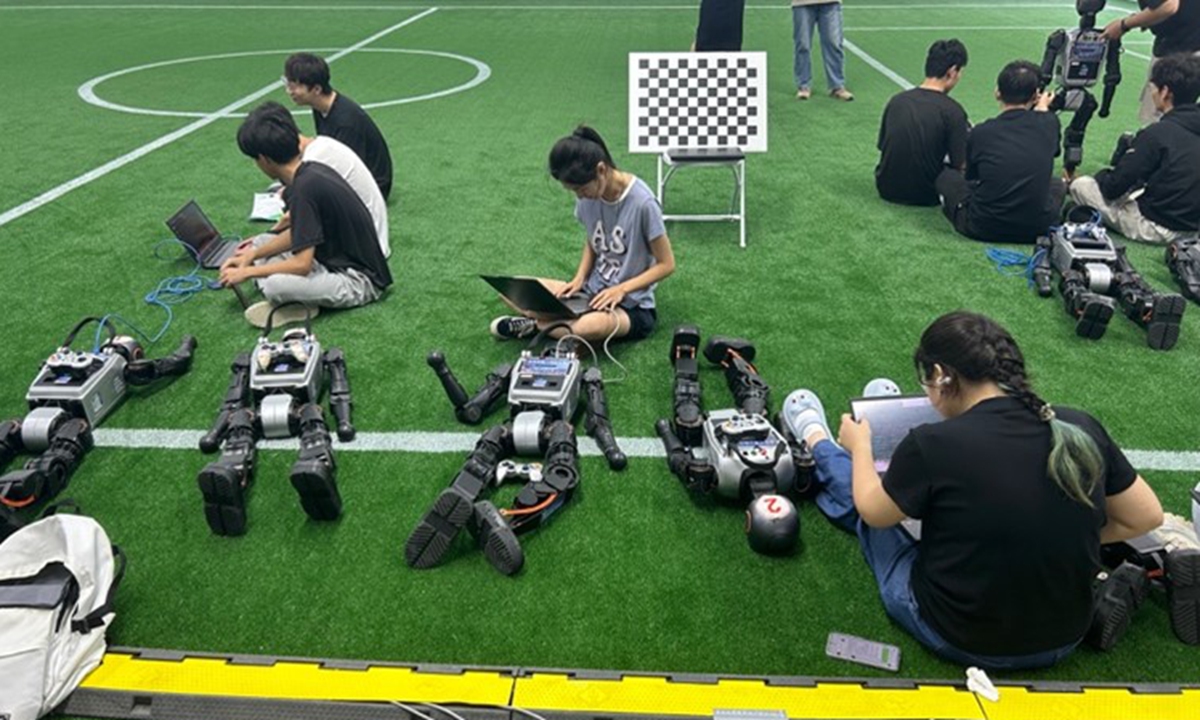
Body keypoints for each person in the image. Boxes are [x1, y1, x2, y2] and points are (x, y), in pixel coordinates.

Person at [781, 311, 1165, 669]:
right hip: (1064, 639)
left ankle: (817, 440)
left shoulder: (931, 443)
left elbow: (872, 511)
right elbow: (1146, 516)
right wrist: (1055, 538)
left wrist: (861, 446)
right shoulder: (1079, 426)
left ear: (940, 374)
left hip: (957, 636)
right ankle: (867, 415)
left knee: (872, 510)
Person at [490, 126, 675, 344]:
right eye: (574, 191)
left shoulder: (643, 204)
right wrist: (580, 277)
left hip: (631, 305)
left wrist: (621, 290)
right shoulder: (588, 197)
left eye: (581, 189)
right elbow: (593, 239)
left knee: (587, 328)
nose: (580, 197)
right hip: (590, 292)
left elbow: (666, 264)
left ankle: (534, 325)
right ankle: (552, 322)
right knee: (513, 288)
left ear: (600, 170)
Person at [222, 103, 392, 327]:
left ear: (264, 159)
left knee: (275, 286)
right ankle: (297, 301)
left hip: (360, 281)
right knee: (261, 243)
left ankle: (292, 302)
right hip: (329, 259)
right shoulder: (309, 171)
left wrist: (249, 271)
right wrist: (252, 255)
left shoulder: (304, 188)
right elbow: (300, 234)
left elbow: (302, 264)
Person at [1069, 53, 1200, 243]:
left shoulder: (1157, 133)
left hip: (1157, 227)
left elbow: (1113, 187)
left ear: (1165, 92)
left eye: (1153, 88)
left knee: (1081, 186)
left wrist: (1102, 176)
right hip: (1195, 228)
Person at [935, 60, 1064, 244]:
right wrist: (1043, 110)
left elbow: (972, 177)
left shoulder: (981, 132)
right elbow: (1053, 150)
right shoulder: (1050, 123)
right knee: (1057, 184)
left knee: (947, 177)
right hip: (1037, 229)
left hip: (982, 227)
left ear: (997, 92)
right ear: (1036, 96)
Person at [257, 102, 391, 259]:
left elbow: (298, 222)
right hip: (368, 237)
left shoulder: (310, 166)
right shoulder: (321, 145)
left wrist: (269, 237)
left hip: (362, 250)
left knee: (270, 267)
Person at [283, 52, 394, 199]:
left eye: (294, 86)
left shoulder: (345, 122)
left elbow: (345, 170)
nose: (290, 91)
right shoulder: (321, 107)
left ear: (316, 89)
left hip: (372, 188)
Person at [875, 39, 970, 206]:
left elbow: (884, 146)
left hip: (886, 188)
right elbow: (960, 165)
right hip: (926, 195)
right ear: (952, 71)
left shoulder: (897, 101)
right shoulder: (953, 111)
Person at [1101, 0, 1200, 124]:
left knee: (1162, 117)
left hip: (1182, 47)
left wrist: (1123, 25)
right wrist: (1146, 19)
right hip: (1189, 40)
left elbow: (1168, 6)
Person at [792, 1, 853, 101]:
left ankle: (837, 86)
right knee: (803, 44)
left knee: (834, 43)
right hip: (802, 3)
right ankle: (803, 86)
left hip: (831, 3)